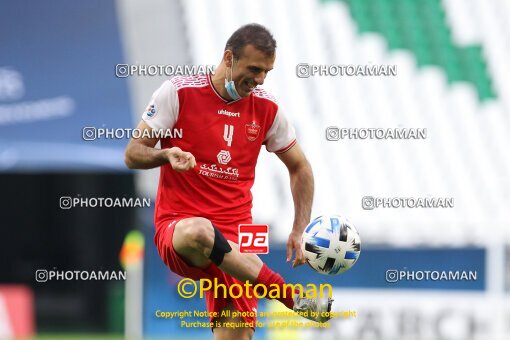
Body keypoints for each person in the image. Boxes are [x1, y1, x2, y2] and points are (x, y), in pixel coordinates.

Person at [124, 23, 332, 340]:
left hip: (240, 232)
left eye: (267, 71)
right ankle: (294, 299)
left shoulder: (267, 108)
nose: (260, 79)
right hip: (179, 227)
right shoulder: (178, 92)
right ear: (228, 58)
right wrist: (165, 155)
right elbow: (133, 153)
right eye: (254, 68)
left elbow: (301, 167)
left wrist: (298, 228)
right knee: (200, 231)